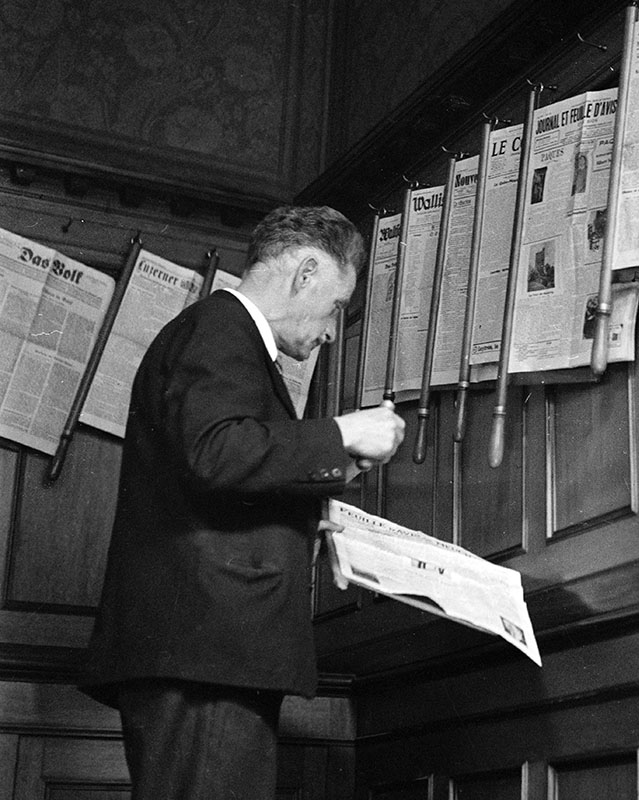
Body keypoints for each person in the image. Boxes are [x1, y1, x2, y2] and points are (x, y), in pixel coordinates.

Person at [81, 205, 405, 799]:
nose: (332, 330)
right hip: (207, 654)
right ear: (305, 272)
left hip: (208, 653)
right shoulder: (221, 328)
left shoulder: (221, 334)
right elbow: (217, 450)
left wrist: (314, 503)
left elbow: (219, 466)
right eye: (336, 306)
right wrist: (342, 433)